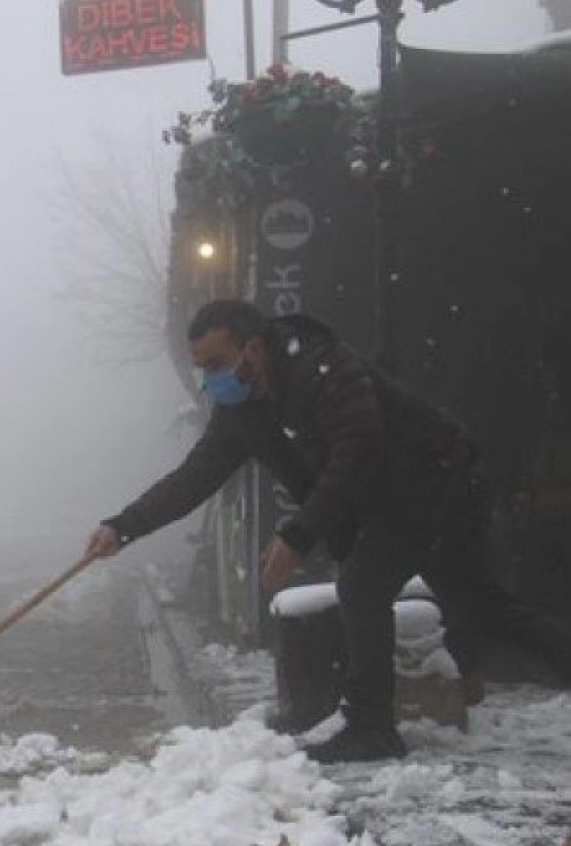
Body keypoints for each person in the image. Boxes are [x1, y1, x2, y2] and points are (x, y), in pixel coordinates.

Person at [85, 299, 571, 763]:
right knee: (485, 609)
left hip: (435, 484)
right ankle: (374, 719)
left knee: (363, 587)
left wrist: (299, 534)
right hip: (398, 500)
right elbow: (194, 478)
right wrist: (122, 527)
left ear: (252, 347)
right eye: (202, 369)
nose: (210, 379)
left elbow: (358, 450)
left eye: (216, 363)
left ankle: (371, 727)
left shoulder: (323, 368)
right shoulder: (242, 412)